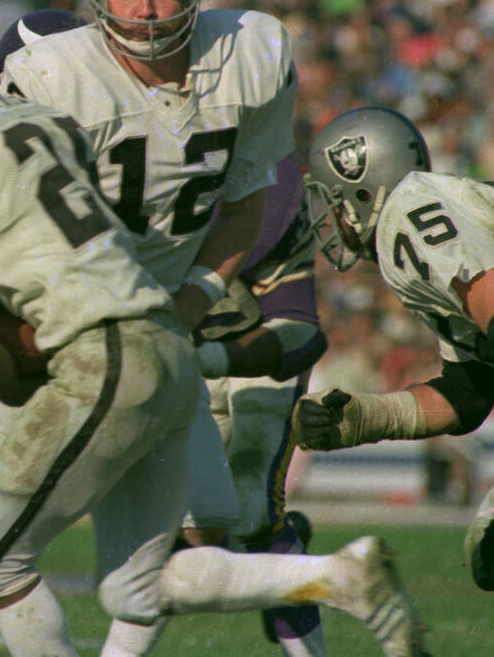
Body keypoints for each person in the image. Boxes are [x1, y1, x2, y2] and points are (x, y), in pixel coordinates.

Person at [0, 18, 425, 657]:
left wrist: (10, 378)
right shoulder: (68, 132)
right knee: (139, 586)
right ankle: (335, 575)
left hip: (90, 357)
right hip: (164, 343)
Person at [0, 0, 299, 643]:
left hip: (155, 331)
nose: (148, 10)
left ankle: (335, 577)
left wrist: (187, 308)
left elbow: (241, 206)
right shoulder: (50, 75)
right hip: (57, 327)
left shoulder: (249, 56)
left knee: (195, 540)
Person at [292, 104, 494, 635]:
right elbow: (468, 393)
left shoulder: (410, 214)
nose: (330, 218)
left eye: (334, 200)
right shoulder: (428, 219)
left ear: (363, 189)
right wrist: (365, 418)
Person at [192, 155, 330, 657]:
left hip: (260, 345)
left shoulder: (268, 171)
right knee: (187, 543)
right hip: (189, 350)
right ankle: (283, 571)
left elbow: (294, 318)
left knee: (253, 511)